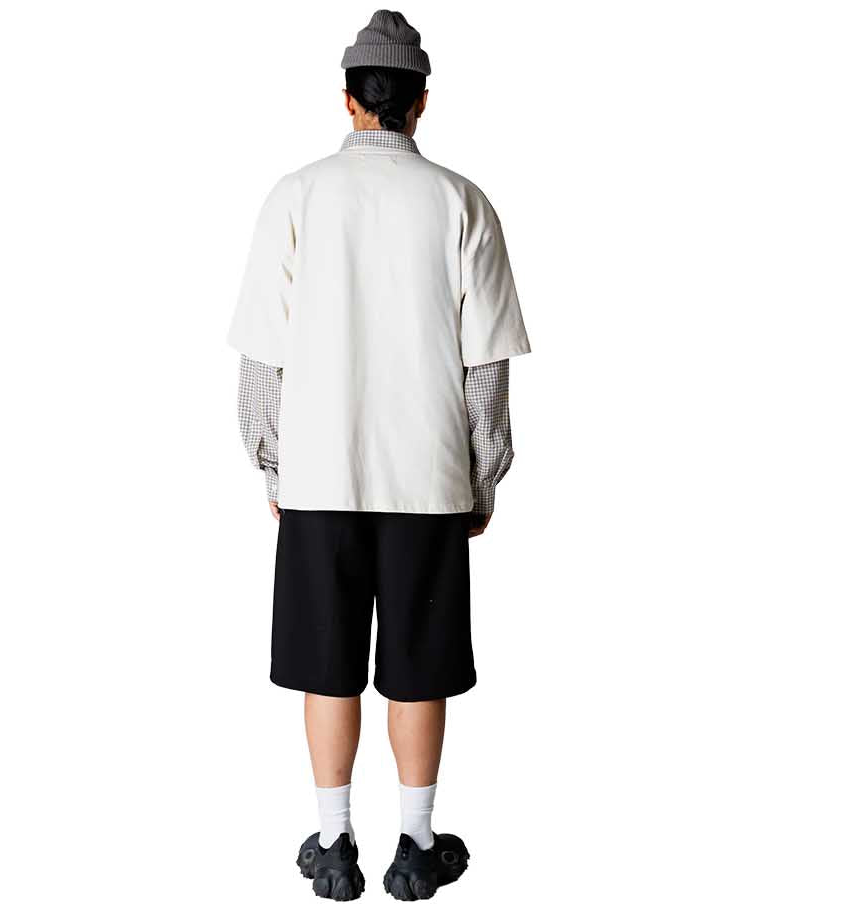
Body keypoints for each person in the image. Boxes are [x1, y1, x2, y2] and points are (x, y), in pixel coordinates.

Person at [228, 10, 530, 902]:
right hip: (428, 477)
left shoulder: (295, 196)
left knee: (326, 667)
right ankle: (416, 844)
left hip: (320, 473)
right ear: (421, 101)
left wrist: (274, 466)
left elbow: (262, 360)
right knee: (417, 666)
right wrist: (481, 479)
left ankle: (333, 842)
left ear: (348, 98)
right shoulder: (462, 202)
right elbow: (485, 369)